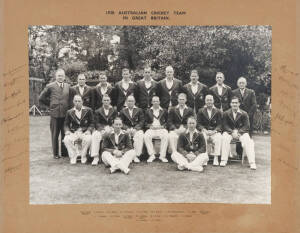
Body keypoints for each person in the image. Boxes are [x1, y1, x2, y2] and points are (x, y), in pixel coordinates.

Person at [39, 68, 75, 159]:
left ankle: (64, 153)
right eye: (59, 76)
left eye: (62, 76)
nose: (60, 77)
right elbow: (41, 98)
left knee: (65, 133)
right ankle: (55, 154)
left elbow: (70, 99)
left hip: (65, 114)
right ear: (56, 76)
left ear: (64, 77)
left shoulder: (68, 86)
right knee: (55, 134)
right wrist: (51, 105)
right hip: (55, 114)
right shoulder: (50, 86)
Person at [221, 96, 257, 170]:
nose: (234, 104)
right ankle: (223, 160)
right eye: (233, 103)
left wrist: (239, 132)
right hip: (229, 132)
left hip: (241, 133)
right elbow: (224, 125)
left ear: (239, 104)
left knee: (248, 141)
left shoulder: (244, 113)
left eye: (236, 103)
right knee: (224, 137)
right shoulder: (226, 113)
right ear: (230, 104)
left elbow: (247, 126)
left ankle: (252, 162)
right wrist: (231, 132)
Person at [63, 95, 94, 164]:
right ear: (73, 102)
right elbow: (66, 124)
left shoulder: (88, 110)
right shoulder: (69, 112)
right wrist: (67, 131)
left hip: (84, 132)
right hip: (74, 132)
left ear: (82, 102)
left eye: (79, 101)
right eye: (76, 101)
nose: (77, 103)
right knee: (66, 139)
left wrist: (89, 130)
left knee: (89, 138)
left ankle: (83, 156)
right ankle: (73, 156)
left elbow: (92, 123)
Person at [90, 94, 118, 165]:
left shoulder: (114, 111)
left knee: (116, 134)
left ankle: (115, 154)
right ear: (102, 101)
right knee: (95, 135)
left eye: (107, 100)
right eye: (104, 100)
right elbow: (96, 122)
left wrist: (112, 127)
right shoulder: (97, 111)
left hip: (112, 129)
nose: (106, 102)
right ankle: (95, 157)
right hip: (101, 129)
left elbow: (116, 121)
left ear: (110, 101)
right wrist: (102, 129)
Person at [196, 95, 222, 166]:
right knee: (203, 137)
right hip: (205, 131)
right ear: (205, 101)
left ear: (213, 101)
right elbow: (198, 124)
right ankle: (205, 158)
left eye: (210, 100)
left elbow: (220, 124)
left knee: (218, 138)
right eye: (207, 100)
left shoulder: (218, 111)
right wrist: (204, 130)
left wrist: (214, 131)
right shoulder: (200, 111)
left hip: (214, 132)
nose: (209, 102)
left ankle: (216, 158)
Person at [119, 95, 145, 163]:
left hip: (136, 129)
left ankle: (136, 155)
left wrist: (135, 129)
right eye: (129, 101)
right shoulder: (122, 111)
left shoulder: (139, 110)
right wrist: (127, 128)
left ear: (135, 102)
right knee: (123, 134)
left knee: (140, 135)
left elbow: (142, 121)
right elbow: (121, 122)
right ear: (126, 102)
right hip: (126, 129)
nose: (130, 102)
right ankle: (125, 154)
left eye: (132, 101)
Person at [144, 96, 169, 163]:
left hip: (161, 129)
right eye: (154, 101)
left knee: (166, 135)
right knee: (146, 136)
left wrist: (163, 126)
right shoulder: (148, 111)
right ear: (151, 102)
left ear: (159, 102)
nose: (155, 103)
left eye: (157, 101)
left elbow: (168, 122)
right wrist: (150, 126)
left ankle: (162, 156)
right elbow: (145, 122)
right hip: (152, 129)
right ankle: (152, 155)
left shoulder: (164, 111)